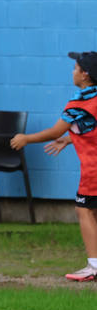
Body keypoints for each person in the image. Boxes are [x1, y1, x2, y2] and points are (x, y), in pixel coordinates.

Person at [11, 53, 97, 280]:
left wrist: (26, 138)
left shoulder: (79, 103)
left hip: (93, 171)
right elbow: (91, 127)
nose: (73, 72)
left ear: (85, 74)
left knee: (84, 210)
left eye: (76, 68)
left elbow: (55, 131)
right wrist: (71, 139)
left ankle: (94, 267)